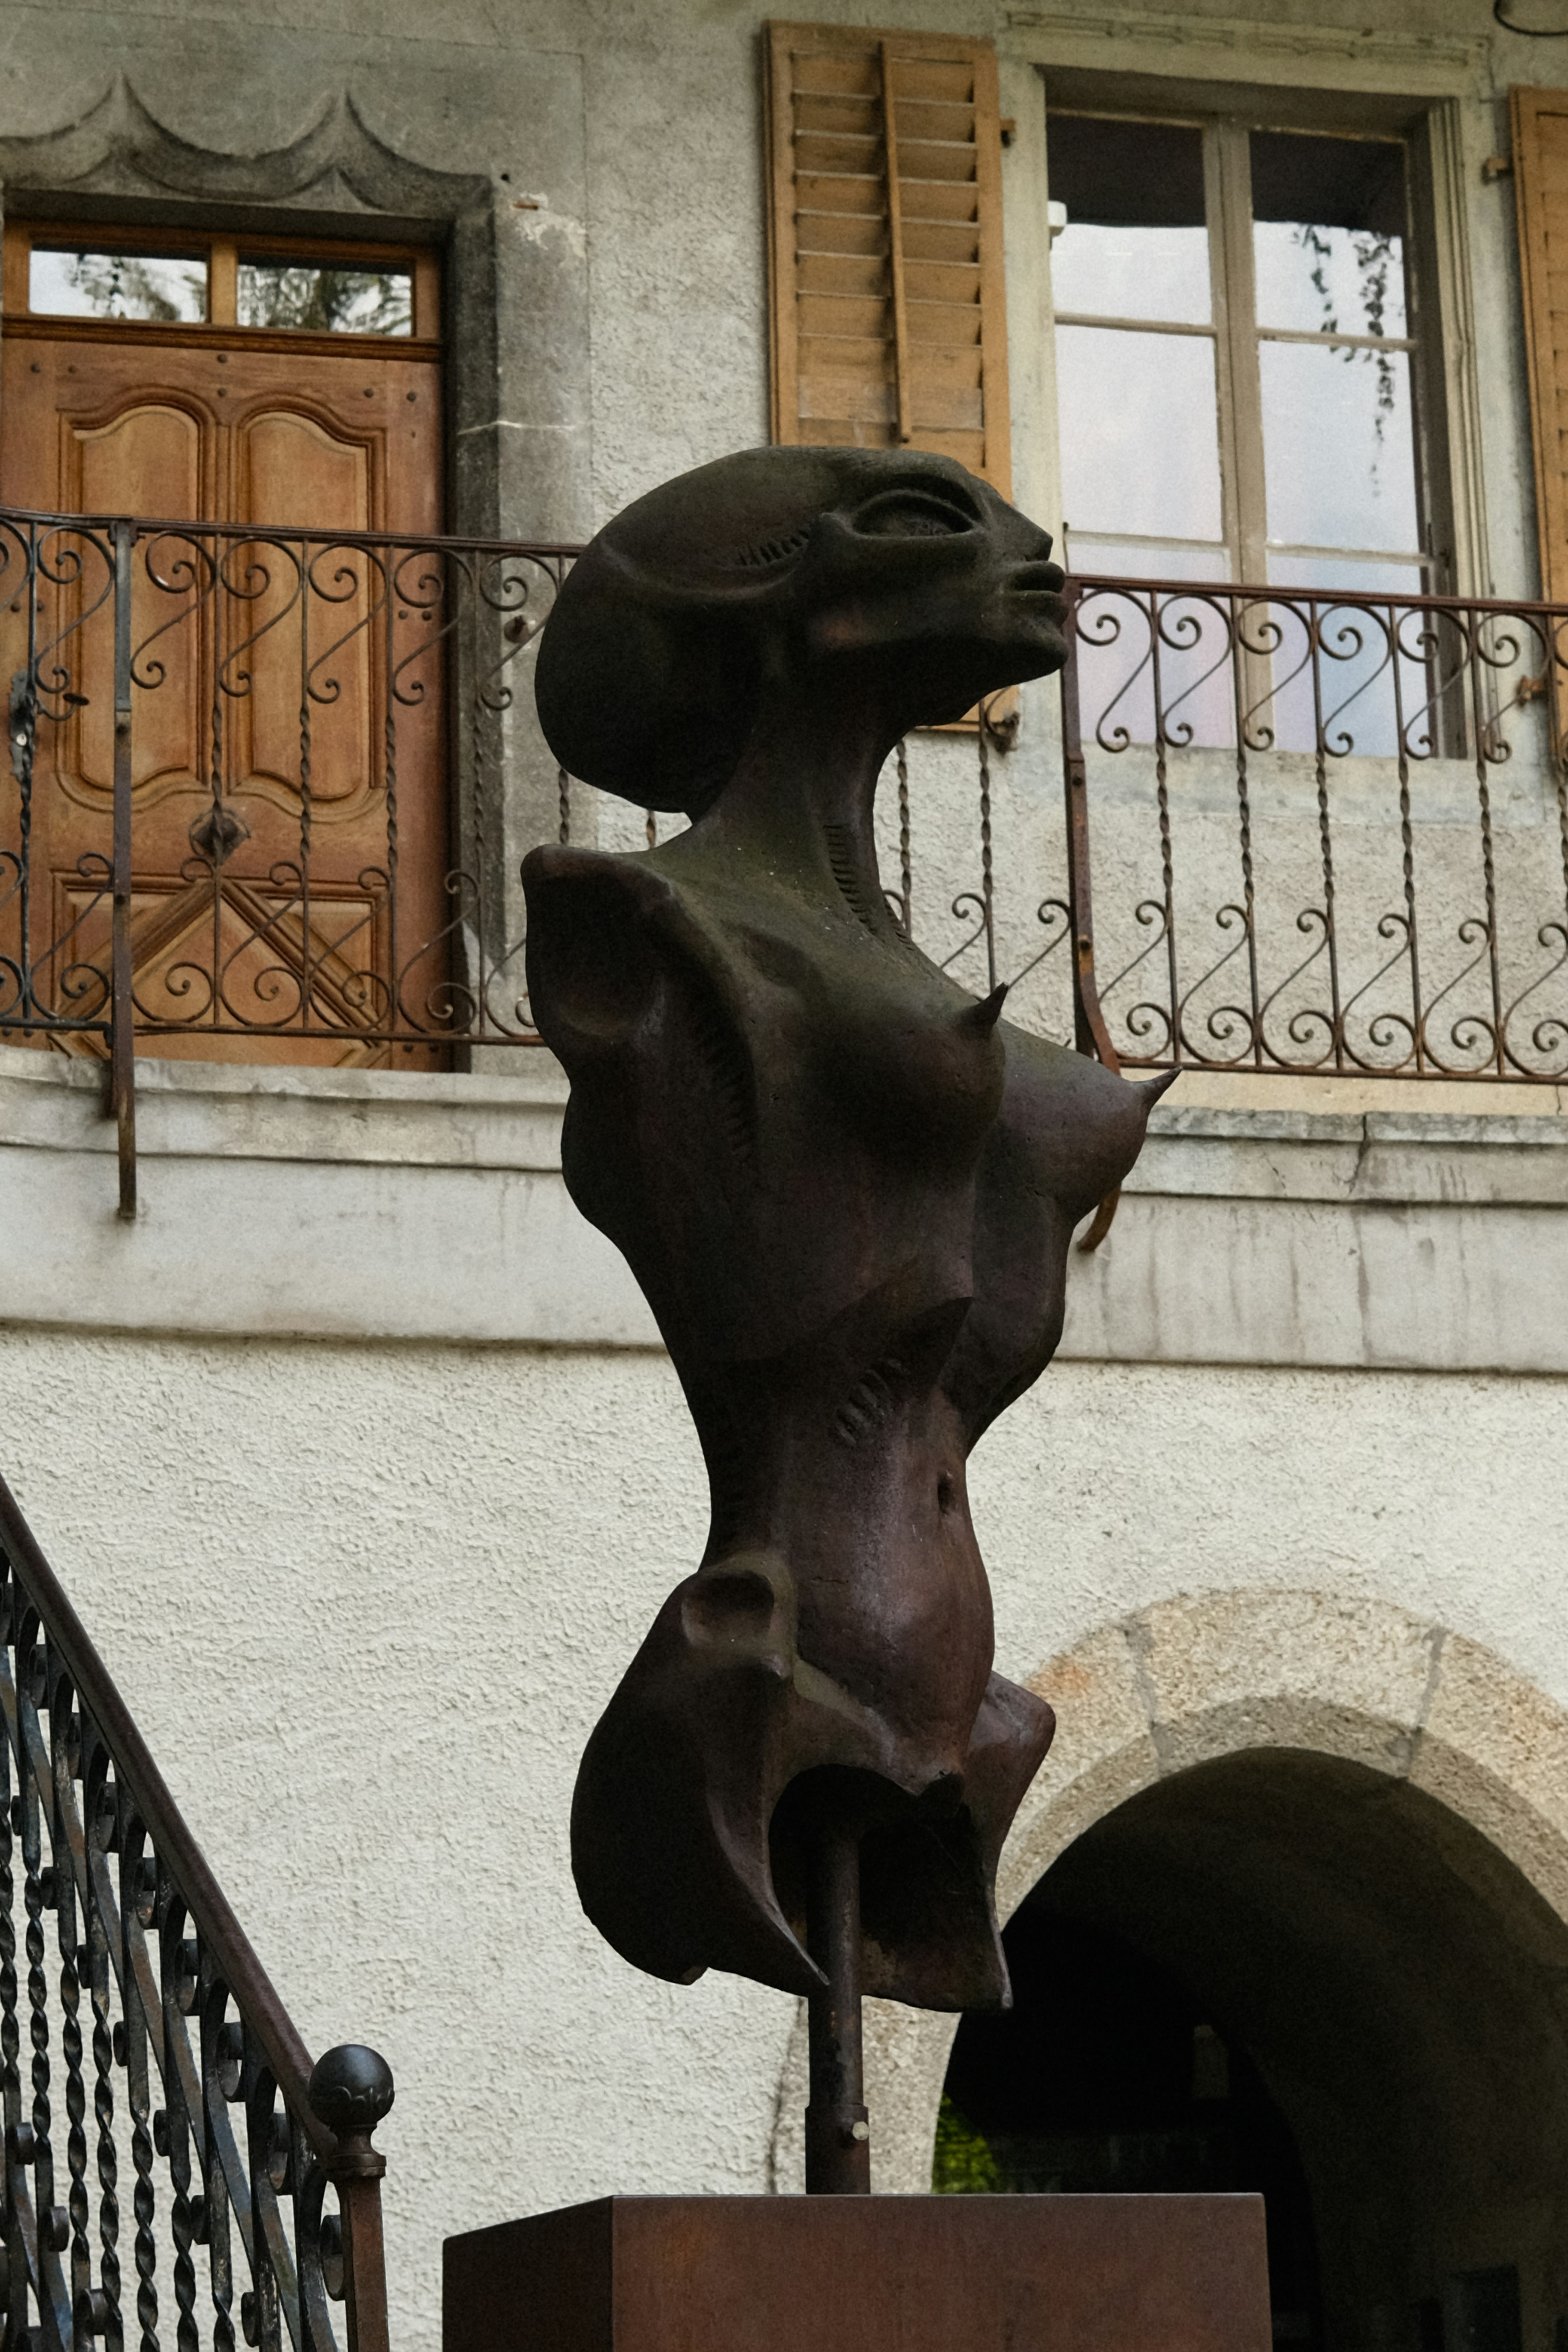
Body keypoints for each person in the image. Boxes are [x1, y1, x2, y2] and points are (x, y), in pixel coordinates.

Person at [527, 446, 1169, 2012]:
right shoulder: (649, 941)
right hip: (783, 1638)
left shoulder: (838, 951)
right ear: (762, 606)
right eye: (918, 524)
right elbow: (774, 1293)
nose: (1028, 551)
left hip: (945, 1668)